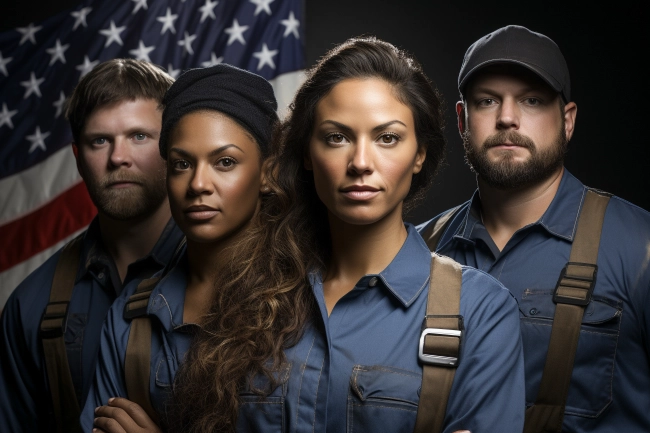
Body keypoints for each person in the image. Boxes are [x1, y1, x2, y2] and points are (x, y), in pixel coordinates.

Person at [158, 37, 524, 433]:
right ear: (306, 154)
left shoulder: (478, 311)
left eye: (388, 138)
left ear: (419, 154)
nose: (361, 163)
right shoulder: (245, 292)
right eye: (337, 137)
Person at [417, 25, 650, 432]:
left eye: (532, 100)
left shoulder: (641, 248)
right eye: (488, 100)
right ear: (462, 119)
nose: (507, 118)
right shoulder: (418, 250)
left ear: (568, 120)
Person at [81, 63, 279, 432]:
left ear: (267, 172)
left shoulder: (310, 299)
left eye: (225, 162)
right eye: (182, 164)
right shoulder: (130, 318)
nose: (198, 184)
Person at [0, 59, 183, 433]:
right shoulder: (30, 306)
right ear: (78, 159)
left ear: (173, 148)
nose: (118, 157)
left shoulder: (234, 276)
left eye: (139, 136)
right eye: (100, 140)